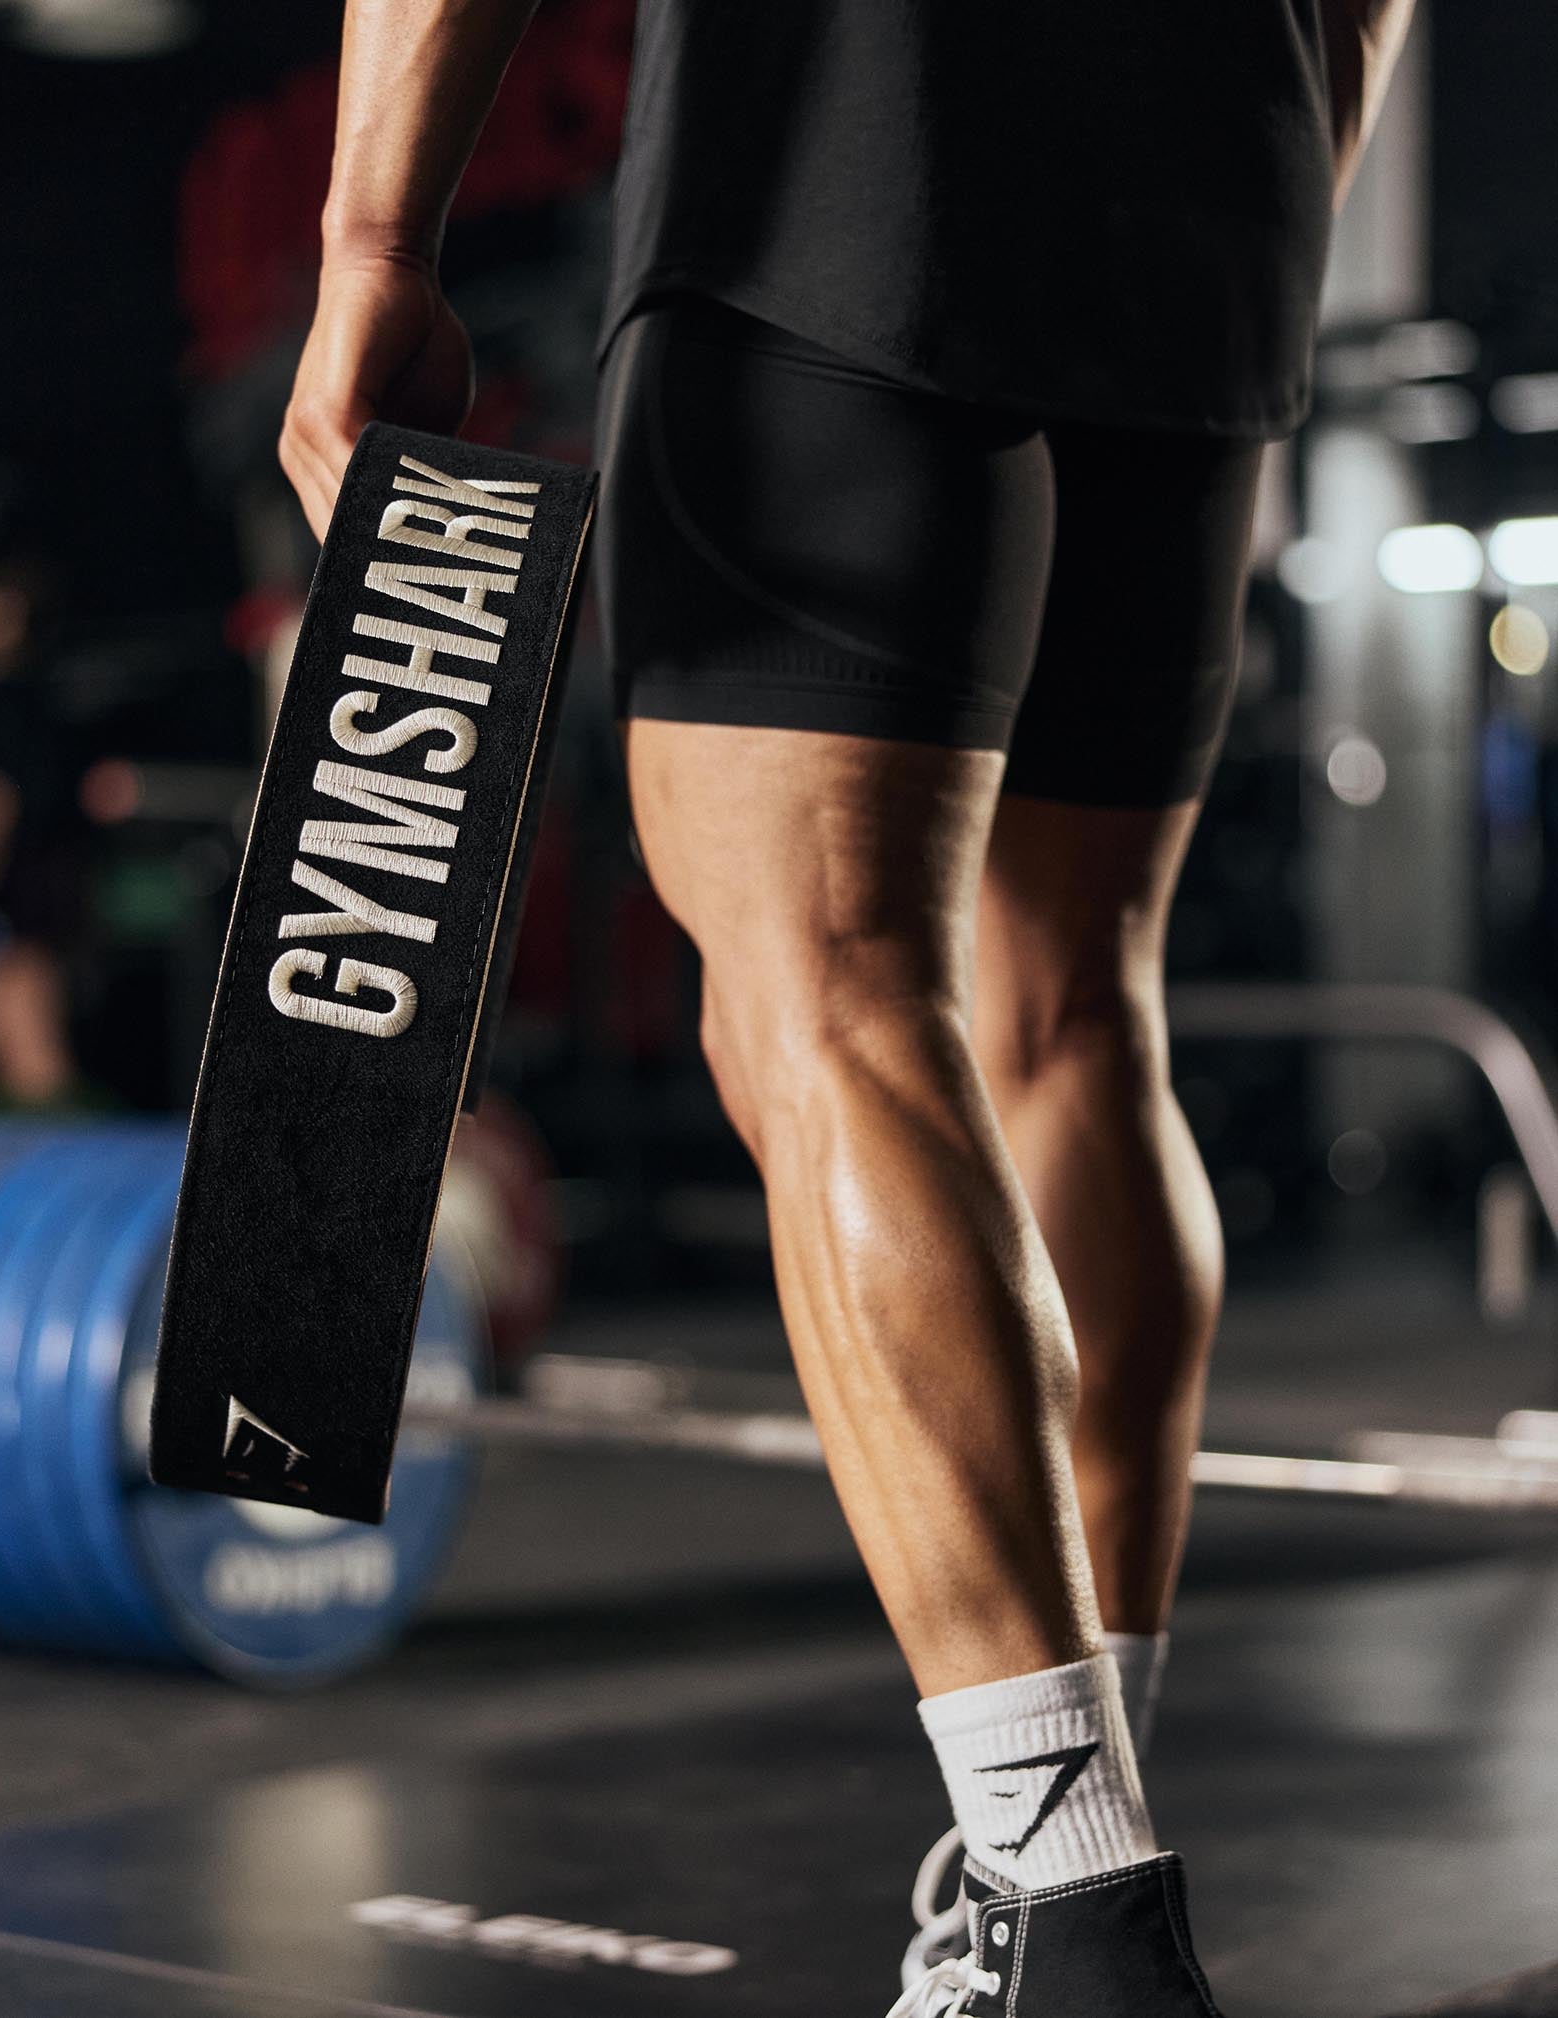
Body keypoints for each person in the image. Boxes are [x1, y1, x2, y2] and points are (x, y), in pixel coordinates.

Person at [279, 2, 1417, 2010]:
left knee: (824, 993)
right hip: (1216, 199)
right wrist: (1264, 185)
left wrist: (376, 236)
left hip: (840, 167)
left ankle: (1076, 1912)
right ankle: (1052, 1852)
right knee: (1080, 1016)